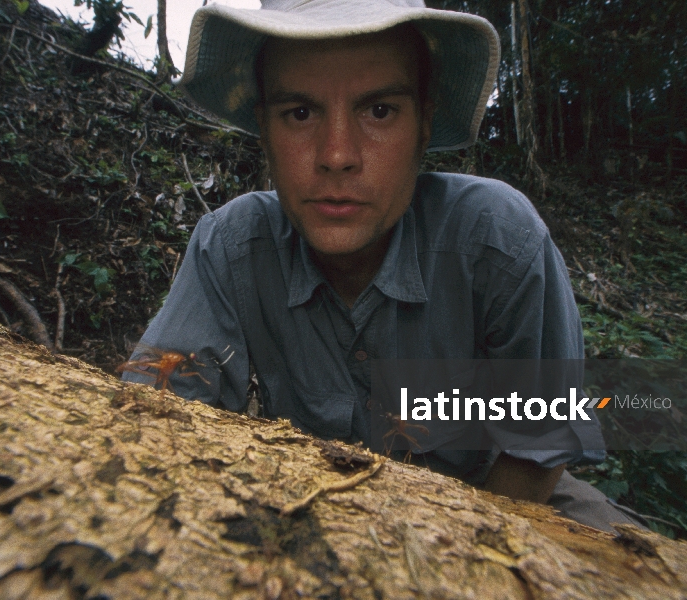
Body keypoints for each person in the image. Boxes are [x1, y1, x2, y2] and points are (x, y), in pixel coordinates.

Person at [125, 0, 646, 532]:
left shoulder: (498, 242)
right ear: (264, 130)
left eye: (379, 111)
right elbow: (154, 413)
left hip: (499, 496)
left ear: (424, 123)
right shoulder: (232, 247)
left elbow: (537, 450)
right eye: (299, 113)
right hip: (318, 498)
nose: (337, 154)